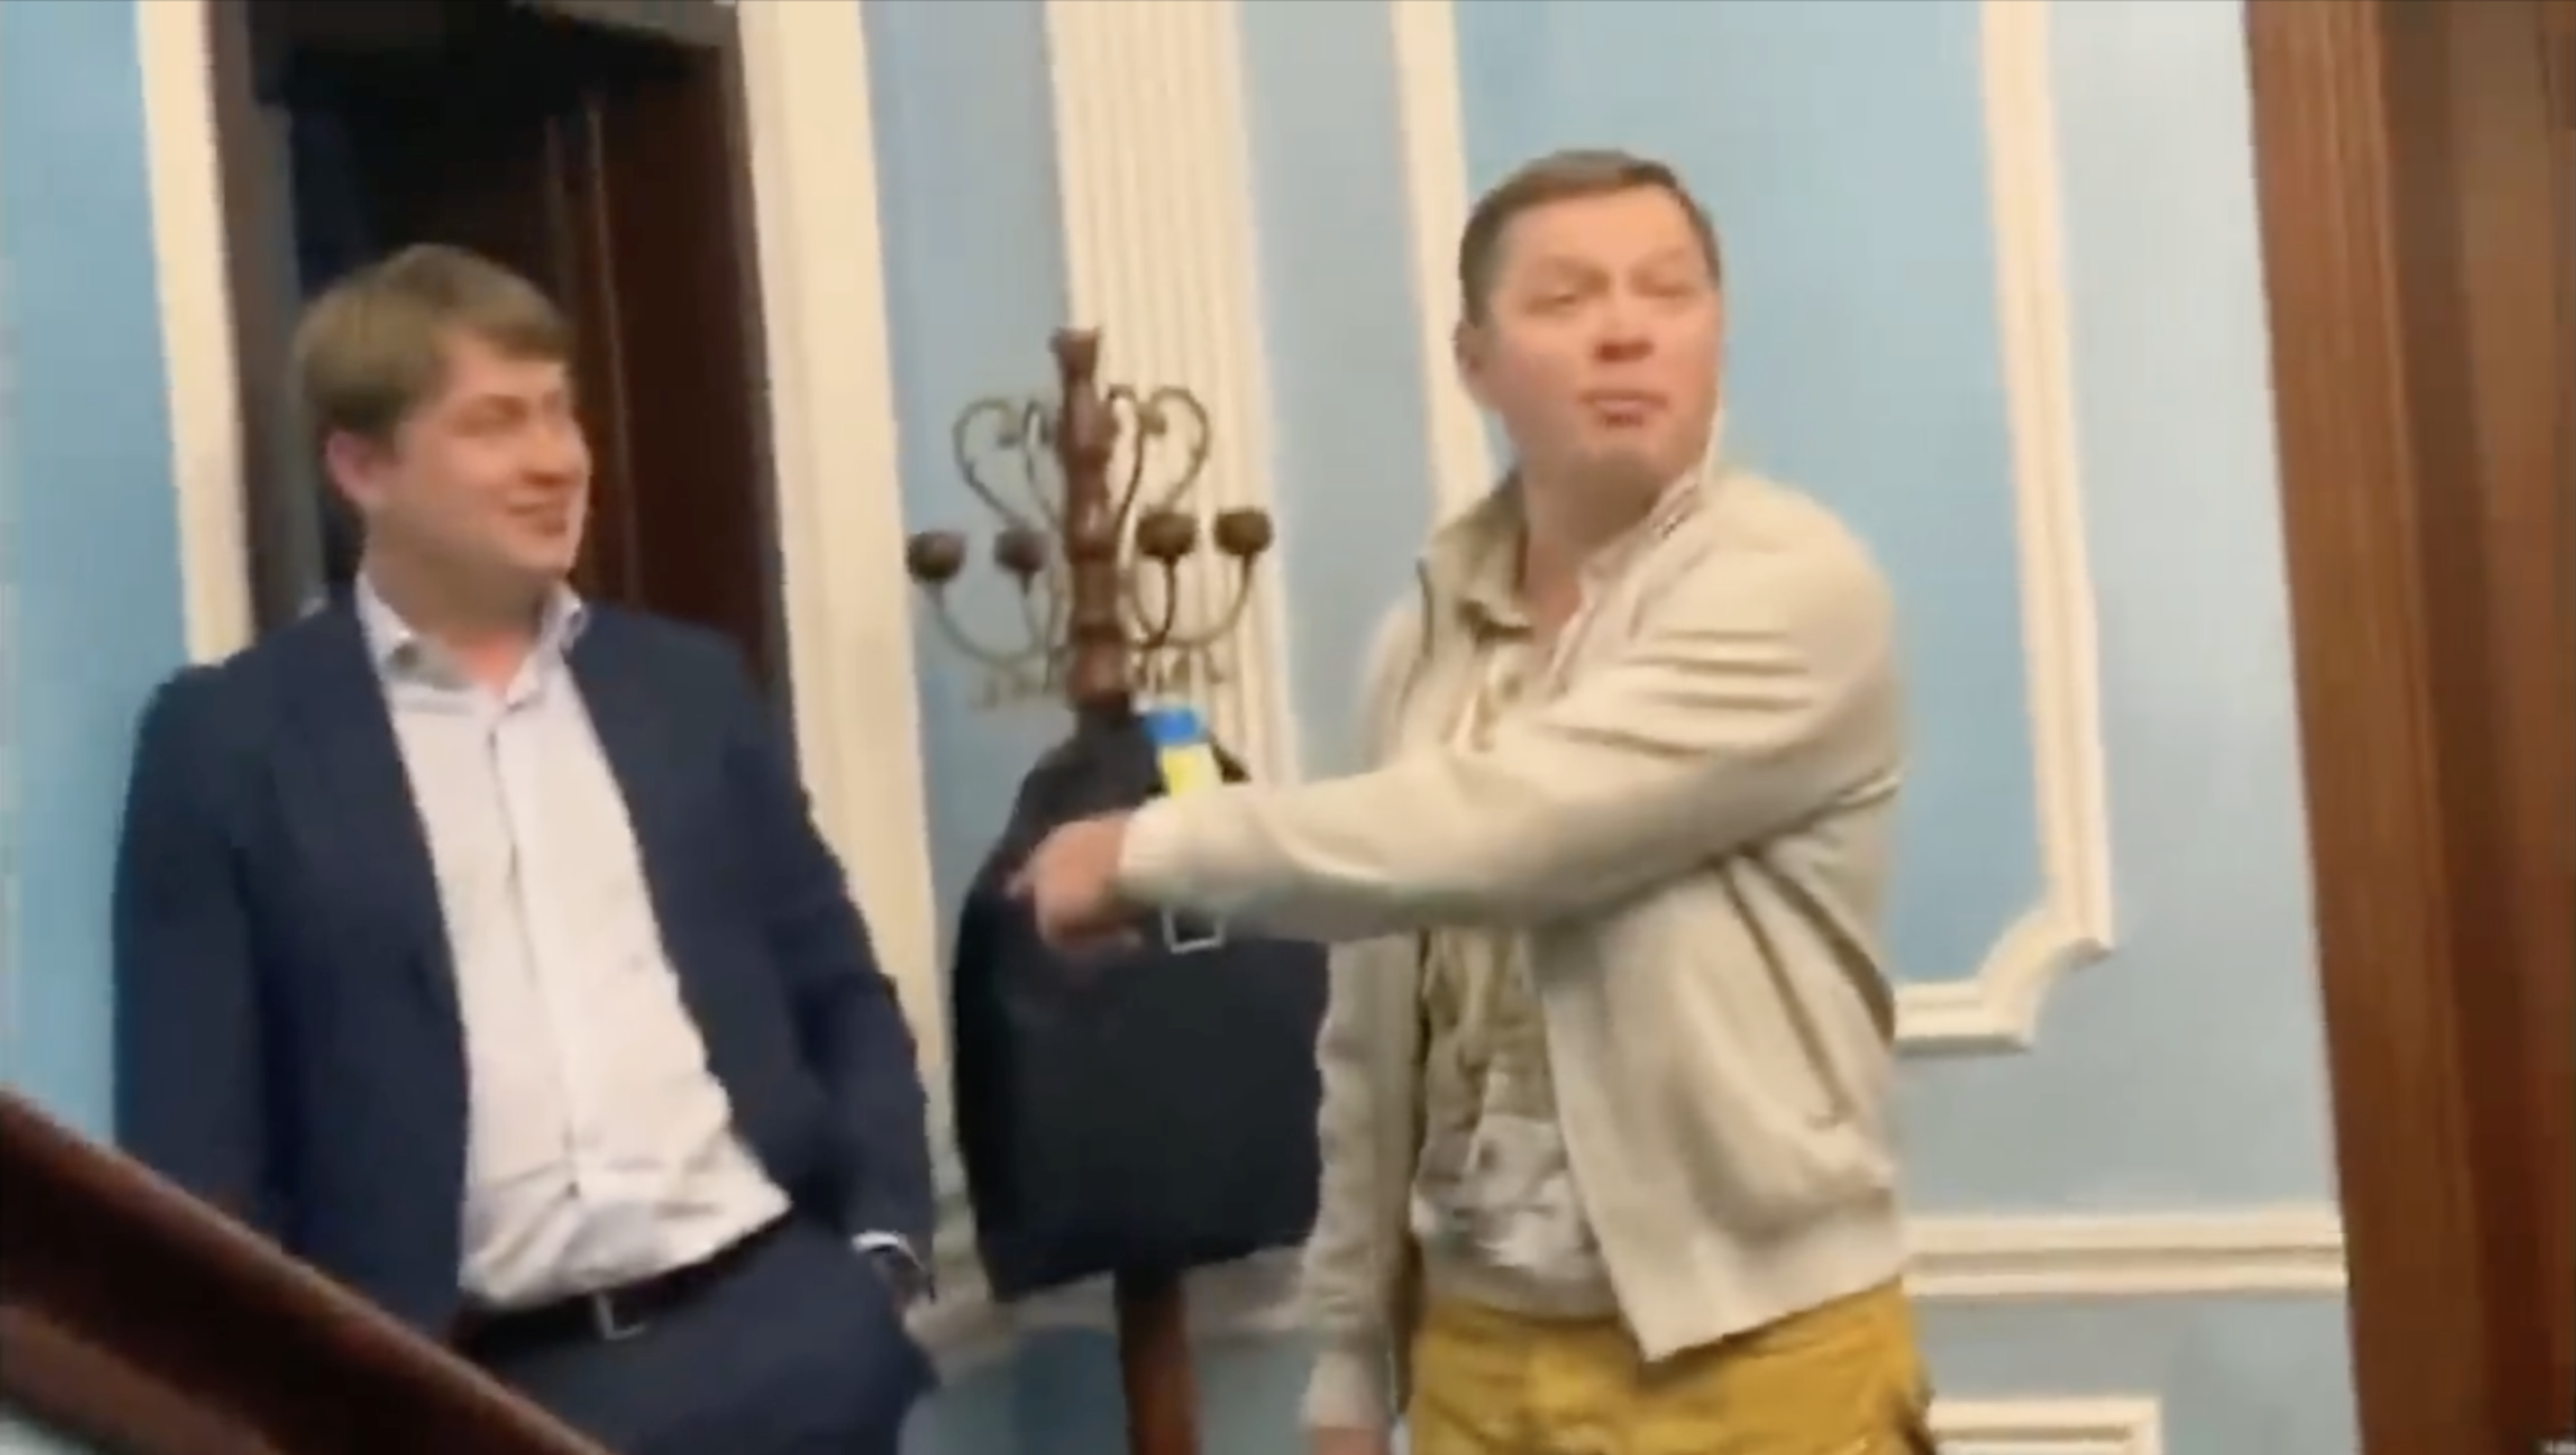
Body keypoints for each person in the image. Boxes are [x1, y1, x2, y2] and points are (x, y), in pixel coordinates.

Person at [1019, 151, 1930, 1455]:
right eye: (1566, 298)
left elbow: (1508, 828)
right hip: (1476, 1348)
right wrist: (1348, 1352)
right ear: (1476, 361)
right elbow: (1370, 1016)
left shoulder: (1794, 586)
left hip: (1755, 1352)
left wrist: (1146, 847)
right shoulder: (1427, 636)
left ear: (1715, 331)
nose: (1625, 329)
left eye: (1667, 291)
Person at [114, 244, 936, 1455]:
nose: (556, 459)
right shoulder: (230, 743)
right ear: (361, 466)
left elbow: (837, 987)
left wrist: (880, 1253)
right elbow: (196, 1150)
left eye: (560, 411)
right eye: (495, 421)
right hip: (465, 1393)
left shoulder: (685, 689)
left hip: (781, 1339)